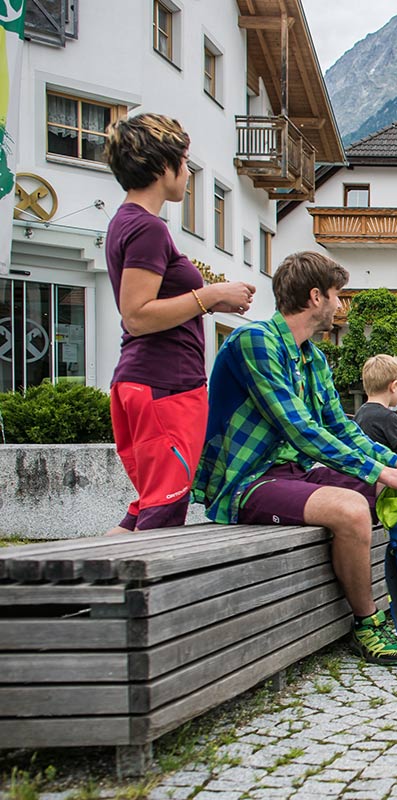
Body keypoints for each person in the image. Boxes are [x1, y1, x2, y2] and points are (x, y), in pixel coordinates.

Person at [194, 252, 397, 665]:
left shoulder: (313, 357)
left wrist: (396, 465)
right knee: (351, 507)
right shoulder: (255, 343)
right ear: (315, 297)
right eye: (336, 296)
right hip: (247, 481)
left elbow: (339, 427)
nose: (340, 305)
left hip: (294, 474)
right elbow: (301, 430)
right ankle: (365, 622)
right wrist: (382, 469)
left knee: (391, 489)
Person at [101, 113, 256, 533]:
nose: (187, 172)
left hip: (145, 382)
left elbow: (147, 307)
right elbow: (136, 315)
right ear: (161, 164)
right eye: (184, 161)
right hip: (164, 384)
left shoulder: (126, 223)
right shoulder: (147, 228)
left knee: (147, 508)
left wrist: (211, 302)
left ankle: (69, 592)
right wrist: (210, 296)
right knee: (163, 516)